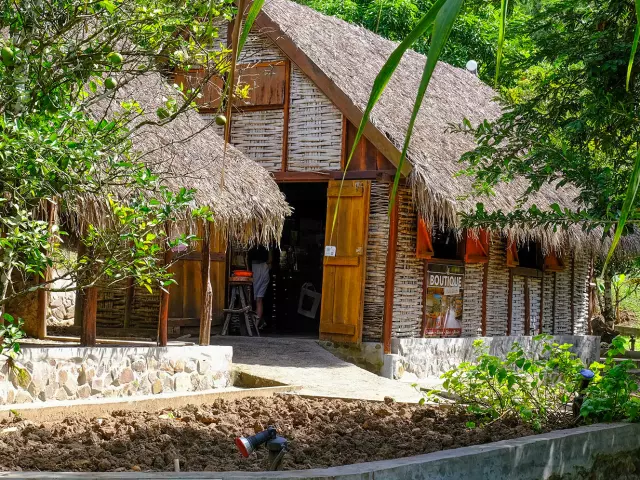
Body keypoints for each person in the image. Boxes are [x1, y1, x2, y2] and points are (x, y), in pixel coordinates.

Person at [248, 245, 270, 329]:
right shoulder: (266, 242)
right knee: (259, 299)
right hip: (264, 267)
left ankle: (255, 325)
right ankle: (256, 325)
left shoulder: (252, 242)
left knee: (253, 298)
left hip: (255, 267)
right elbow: (270, 259)